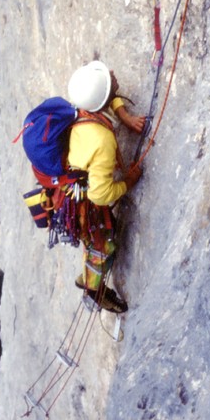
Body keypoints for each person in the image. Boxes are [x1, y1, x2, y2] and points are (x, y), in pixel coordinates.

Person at [65, 60, 145, 312]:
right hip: (85, 200)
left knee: (94, 240)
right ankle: (93, 290)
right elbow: (101, 195)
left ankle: (90, 274)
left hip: (73, 185)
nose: (113, 74)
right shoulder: (102, 140)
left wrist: (125, 116)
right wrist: (128, 182)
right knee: (104, 244)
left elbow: (104, 98)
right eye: (109, 81)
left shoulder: (81, 108)